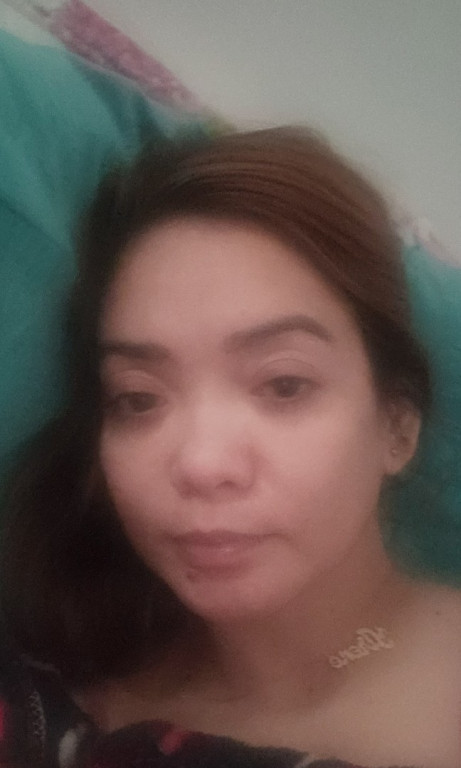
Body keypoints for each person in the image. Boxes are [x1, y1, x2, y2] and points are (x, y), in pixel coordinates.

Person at [0, 127, 460, 768]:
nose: (201, 464)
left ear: (397, 427)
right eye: (138, 399)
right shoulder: (59, 682)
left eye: (284, 384)